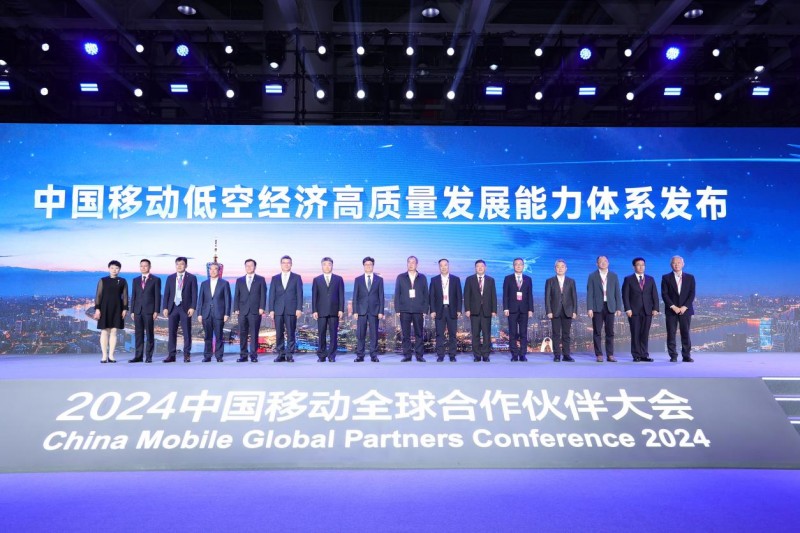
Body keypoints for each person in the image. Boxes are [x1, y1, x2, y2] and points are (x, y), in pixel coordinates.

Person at [622, 257, 660, 362]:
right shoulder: (628, 279)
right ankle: (636, 355)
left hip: (647, 310)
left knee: (645, 333)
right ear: (634, 267)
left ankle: (644, 354)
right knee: (635, 333)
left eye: (643, 265)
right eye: (638, 265)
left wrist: (655, 308)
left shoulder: (650, 279)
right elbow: (625, 295)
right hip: (633, 311)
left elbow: (654, 294)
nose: (641, 267)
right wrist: (627, 309)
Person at [161, 256, 198, 363]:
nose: (179, 266)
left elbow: (194, 294)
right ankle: (171, 355)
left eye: (181, 264)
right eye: (177, 264)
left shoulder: (192, 277)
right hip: (172, 308)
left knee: (187, 332)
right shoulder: (170, 277)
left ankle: (187, 355)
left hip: (185, 308)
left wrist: (193, 307)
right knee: (172, 332)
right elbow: (166, 293)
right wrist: (165, 307)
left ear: (186, 265)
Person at [586, 256, 622, 363]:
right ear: (597, 264)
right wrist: (589, 308)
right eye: (600, 261)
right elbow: (590, 293)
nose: (603, 263)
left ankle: (610, 355)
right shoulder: (592, 276)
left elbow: (617, 292)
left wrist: (618, 307)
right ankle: (599, 354)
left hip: (610, 306)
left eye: (605, 261)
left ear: (608, 263)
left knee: (610, 331)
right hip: (597, 307)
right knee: (597, 331)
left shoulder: (614, 276)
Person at [269, 255, 303, 362]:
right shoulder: (275, 278)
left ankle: (289, 354)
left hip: (291, 309)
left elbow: (299, 294)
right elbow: (271, 295)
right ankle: (281, 354)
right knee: (279, 333)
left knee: (291, 333)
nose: (286, 264)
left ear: (291, 264)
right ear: (281, 264)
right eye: (284, 262)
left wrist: (299, 308)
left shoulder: (297, 277)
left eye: (288, 263)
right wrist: (271, 310)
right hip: (278, 310)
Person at [661, 255, 696, 363]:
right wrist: (673, 307)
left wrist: (685, 307)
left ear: (683, 264)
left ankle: (686, 356)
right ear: (671, 265)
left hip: (686, 310)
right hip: (671, 310)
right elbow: (664, 294)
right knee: (671, 333)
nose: (676, 265)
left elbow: (692, 294)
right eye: (674, 263)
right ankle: (673, 356)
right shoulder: (666, 278)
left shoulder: (690, 278)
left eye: (678, 263)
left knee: (685, 333)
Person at [394, 255, 429, 362]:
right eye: (409, 262)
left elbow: (426, 294)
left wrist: (425, 310)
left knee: (419, 334)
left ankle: (419, 355)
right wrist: (397, 309)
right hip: (404, 310)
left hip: (418, 310)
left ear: (417, 264)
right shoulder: (400, 277)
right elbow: (397, 294)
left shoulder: (422, 277)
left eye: (413, 262)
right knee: (406, 334)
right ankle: (407, 355)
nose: (411, 264)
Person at [93, 260, 128, 364]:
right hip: (104, 308)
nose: (114, 270)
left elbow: (125, 296)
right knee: (104, 331)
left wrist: (125, 308)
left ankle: (111, 356)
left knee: (114, 331)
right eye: (112, 268)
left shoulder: (123, 281)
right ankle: (104, 356)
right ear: (109, 269)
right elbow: (98, 295)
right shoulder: (103, 280)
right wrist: (97, 309)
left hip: (117, 308)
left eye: (117, 268)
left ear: (119, 270)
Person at [233, 258, 267, 363]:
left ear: (255, 267)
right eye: (247, 265)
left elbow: (263, 295)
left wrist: (262, 307)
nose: (249, 267)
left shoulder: (261, 279)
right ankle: (243, 355)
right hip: (242, 311)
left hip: (255, 310)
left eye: (251, 265)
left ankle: (253, 355)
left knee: (254, 334)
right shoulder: (239, 280)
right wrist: (236, 308)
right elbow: (236, 295)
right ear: (245, 267)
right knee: (242, 334)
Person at [429, 258, 462, 362]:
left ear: (448, 266)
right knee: (439, 334)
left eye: (445, 265)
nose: (443, 267)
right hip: (439, 310)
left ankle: (452, 355)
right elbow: (431, 296)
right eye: (441, 265)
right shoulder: (434, 280)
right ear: (439, 267)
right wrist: (432, 310)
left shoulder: (456, 279)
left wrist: (459, 310)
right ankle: (440, 355)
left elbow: (459, 296)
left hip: (452, 310)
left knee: (452, 334)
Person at [312, 257, 345, 362]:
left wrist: (341, 309)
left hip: (334, 310)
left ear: (332, 266)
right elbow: (314, 296)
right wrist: (314, 310)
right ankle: (321, 356)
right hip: (321, 311)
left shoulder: (338, 279)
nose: (327, 266)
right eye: (325, 264)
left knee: (333, 334)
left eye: (329, 264)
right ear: (322, 266)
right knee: (321, 333)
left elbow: (341, 295)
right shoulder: (317, 279)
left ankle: (332, 356)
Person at [197, 263, 232, 362]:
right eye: (211, 269)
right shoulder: (204, 284)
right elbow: (200, 299)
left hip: (219, 313)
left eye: (215, 269)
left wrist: (227, 313)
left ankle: (219, 356)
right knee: (207, 336)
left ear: (219, 271)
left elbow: (227, 299)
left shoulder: (224, 283)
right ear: (209, 271)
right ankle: (207, 356)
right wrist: (199, 313)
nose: (212, 271)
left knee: (219, 336)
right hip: (206, 313)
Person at [352, 257, 385, 362]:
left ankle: (373, 355)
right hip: (361, 310)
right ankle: (360, 355)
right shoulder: (358, 279)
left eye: (370, 264)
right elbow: (355, 296)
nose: (368, 266)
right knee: (360, 334)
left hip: (374, 310)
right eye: (366, 264)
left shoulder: (379, 279)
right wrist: (355, 311)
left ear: (373, 266)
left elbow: (381, 296)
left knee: (374, 334)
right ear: (363, 266)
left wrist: (381, 311)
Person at [129, 258, 161, 363]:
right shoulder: (135, 280)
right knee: (138, 334)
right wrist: (132, 311)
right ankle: (138, 356)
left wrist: (156, 311)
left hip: (149, 311)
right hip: (137, 310)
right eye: (141, 266)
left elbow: (157, 296)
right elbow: (133, 296)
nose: (143, 267)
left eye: (145, 266)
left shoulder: (155, 279)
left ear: (149, 267)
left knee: (149, 334)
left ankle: (148, 357)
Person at [464, 259, 497, 362]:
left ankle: (486, 355)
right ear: (475, 268)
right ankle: (477, 355)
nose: (480, 268)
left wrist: (494, 310)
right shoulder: (469, 279)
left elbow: (493, 296)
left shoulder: (491, 280)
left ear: (485, 268)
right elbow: (466, 295)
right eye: (478, 266)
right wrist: (467, 309)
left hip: (487, 311)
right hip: (474, 311)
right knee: (475, 334)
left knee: (487, 334)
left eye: (482, 266)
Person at [545, 259, 578, 362]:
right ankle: (557, 355)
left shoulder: (571, 281)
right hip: (554, 311)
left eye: (562, 266)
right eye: (558, 266)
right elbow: (547, 297)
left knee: (566, 334)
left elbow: (574, 297)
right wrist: (549, 311)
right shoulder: (550, 281)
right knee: (556, 334)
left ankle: (566, 355)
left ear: (566, 268)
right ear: (555, 269)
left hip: (568, 311)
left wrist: (574, 311)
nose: (560, 268)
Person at [503, 258, 534, 362]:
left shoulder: (528, 279)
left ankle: (523, 354)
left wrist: (531, 309)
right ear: (513, 266)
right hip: (512, 309)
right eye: (516, 264)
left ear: (523, 266)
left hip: (524, 309)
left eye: (520, 264)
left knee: (523, 333)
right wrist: (505, 308)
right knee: (513, 333)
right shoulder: (508, 278)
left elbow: (530, 295)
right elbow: (505, 295)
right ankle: (514, 354)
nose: (518, 266)